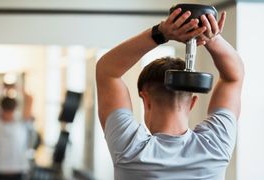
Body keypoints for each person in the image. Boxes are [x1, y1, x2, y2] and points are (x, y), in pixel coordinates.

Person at [96, 7, 244, 180]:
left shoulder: (129, 149)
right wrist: (208, 34)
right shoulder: (215, 146)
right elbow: (234, 77)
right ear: (192, 102)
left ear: (146, 100)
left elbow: (106, 71)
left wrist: (161, 33)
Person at [0, 89, 34, 180]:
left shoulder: (22, 123)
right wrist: (1, 88)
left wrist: (15, 86)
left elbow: (30, 99)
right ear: (2, 110)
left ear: (14, 110)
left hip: (19, 171)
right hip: (0, 171)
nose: (8, 115)